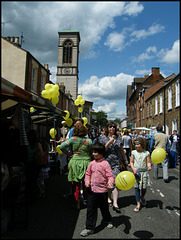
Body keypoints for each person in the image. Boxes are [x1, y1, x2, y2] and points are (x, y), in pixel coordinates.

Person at [80, 142, 114, 237]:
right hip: (92, 190)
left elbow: (110, 176)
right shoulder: (91, 163)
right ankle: (89, 227)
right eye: (93, 152)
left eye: (96, 152)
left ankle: (107, 219)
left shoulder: (105, 164)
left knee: (104, 208)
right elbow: (88, 174)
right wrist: (87, 181)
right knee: (91, 209)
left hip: (102, 191)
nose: (94, 154)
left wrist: (110, 182)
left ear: (101, 153)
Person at [58, 124, 92, 209]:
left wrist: (68, 154)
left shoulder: (72, 140)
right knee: (86, 183)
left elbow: (61, 146)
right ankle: (86, 200)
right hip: (86, 162)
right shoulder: (89, 141)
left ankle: (77, 202)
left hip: (75, 161)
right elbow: (91, 151)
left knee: (75, 183)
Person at [100, 122, 127, 213]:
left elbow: (122, 150)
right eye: (110, 126)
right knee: (108, 181)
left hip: (116, 162)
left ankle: (115, 203)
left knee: (116, 181)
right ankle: (108, 197)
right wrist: (109, 142)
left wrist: (125, 160)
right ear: (107, 128)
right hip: (106, 162)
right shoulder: (103, 138)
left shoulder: (119, 137)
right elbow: (103, 150)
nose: (112, 128)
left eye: (113, 127)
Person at [130, 137, 152, 212]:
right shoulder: (133, 152)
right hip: (137, 172)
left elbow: (148, 162)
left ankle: (142, 197)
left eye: (138, 144)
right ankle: (138, 204)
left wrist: (149, 166)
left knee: (144, 188)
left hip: (144, 172)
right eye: (135, 144)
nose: (136, 146)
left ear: (142, 145)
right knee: (137, 188)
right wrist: (133, 169)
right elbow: (131, 162)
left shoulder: (146, 153)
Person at [27, 129, 44, 202]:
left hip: (28, 163)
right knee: (35, 179)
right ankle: (38, 192)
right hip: (36, 164)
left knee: (30, 180)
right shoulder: (38, 144)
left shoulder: (26, 144)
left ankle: (31, 195)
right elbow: (42, 155)